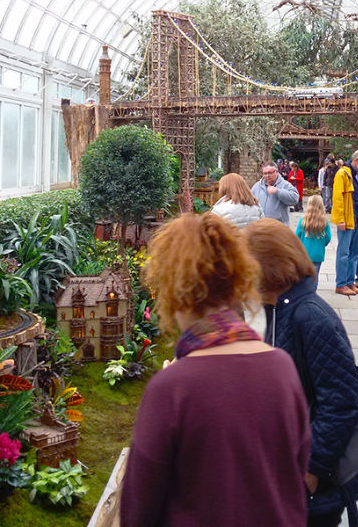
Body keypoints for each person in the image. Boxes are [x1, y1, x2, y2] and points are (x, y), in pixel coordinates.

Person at [120, 212, 310, 527]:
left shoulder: (172, 388)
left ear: (173, 290)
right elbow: (296, 471)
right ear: (239, 278)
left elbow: (139, 509)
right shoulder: (282, 368)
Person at [243, 218, 358, 527]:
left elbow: (341, 402)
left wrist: (312, 468)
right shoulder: (272, 309)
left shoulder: (311, 317)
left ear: (269, 268)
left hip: (310, 485)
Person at [331, 149, 358, 297]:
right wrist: (340, 219)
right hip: (348, 218)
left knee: (355, 252)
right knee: (344, 252)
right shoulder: (342, 174)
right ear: (356, 160)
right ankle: (340, 284)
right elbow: (338, 198)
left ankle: (349, 281)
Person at [296, 195, 332, 291]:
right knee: (314, 278)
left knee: (303, 277)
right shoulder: (324, 223)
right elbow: (328, 238)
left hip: (304, 254)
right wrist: (321, 244)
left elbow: (297, 237)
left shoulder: (303, 221)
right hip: (318, 254)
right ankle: (312, 295)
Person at [251, 161, 299, 226]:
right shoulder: (257, 186)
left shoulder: (285, 185)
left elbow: (295, 199)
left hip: (278, 229)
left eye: (270, 173)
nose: (267, 176)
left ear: (276, 172)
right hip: (260, 228)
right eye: (265, 173)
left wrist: (277, 191)